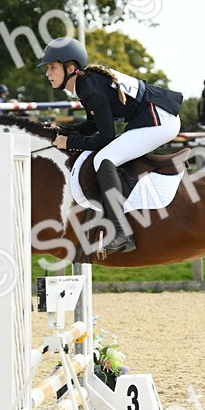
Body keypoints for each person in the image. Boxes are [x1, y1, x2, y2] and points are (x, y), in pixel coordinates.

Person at [38, 36, 183, 256]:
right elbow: (92, 125)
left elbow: (106, 138)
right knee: (105, 156)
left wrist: (69, 142)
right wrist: (65, 131)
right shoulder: (87, 84)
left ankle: (121, 232)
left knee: (104, 159)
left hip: (160, 120)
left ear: (70, 68)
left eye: (52, 67)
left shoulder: (89, 88)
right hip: (154, 117)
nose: (48, 73)